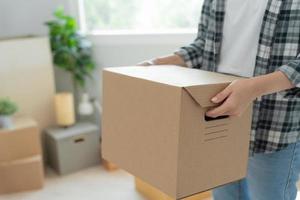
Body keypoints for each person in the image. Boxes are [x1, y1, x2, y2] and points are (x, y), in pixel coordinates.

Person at [139, 0, 300, 199]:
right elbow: (203, 45)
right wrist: (160, 63)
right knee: (225, 195)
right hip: (217, 116)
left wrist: (253, 88)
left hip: (275, 122)